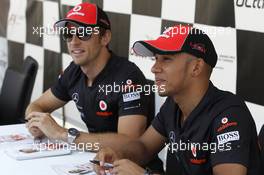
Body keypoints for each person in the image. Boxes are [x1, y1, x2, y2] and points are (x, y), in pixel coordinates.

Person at [96, 25, 261, 175]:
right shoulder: (173, 105)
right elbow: (144, 147)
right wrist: (117, 154)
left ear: (196, 67)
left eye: (166, 59)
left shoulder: (230, 115)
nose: (154, 68)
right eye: (156, 58)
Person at [25, 2, 151, 155]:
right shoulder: (74, 71)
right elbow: (37, 105)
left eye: (84, 33)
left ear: (105, 37)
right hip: (96, 162)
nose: (74, 41)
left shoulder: (128, 77)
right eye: (68, 34)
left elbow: (130, 145)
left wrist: (62, 134)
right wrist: (36, 124)